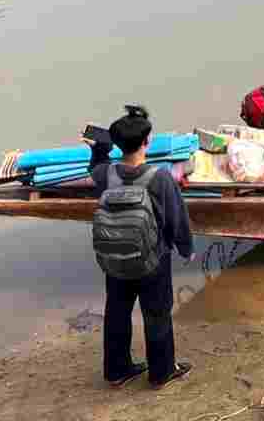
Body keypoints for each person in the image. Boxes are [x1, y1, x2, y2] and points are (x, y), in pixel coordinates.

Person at [92, 106, 193, 389]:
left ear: (117, 145)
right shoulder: (159, 177)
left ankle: (117, 370)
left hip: (115, 259)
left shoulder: (105, 175)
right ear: (147, 142)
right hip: (153, 260)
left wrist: (98, 149)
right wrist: (186, 248)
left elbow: (94, 168)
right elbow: (176, 218)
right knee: (157, 313)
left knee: (117, 313)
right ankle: (161, 372)